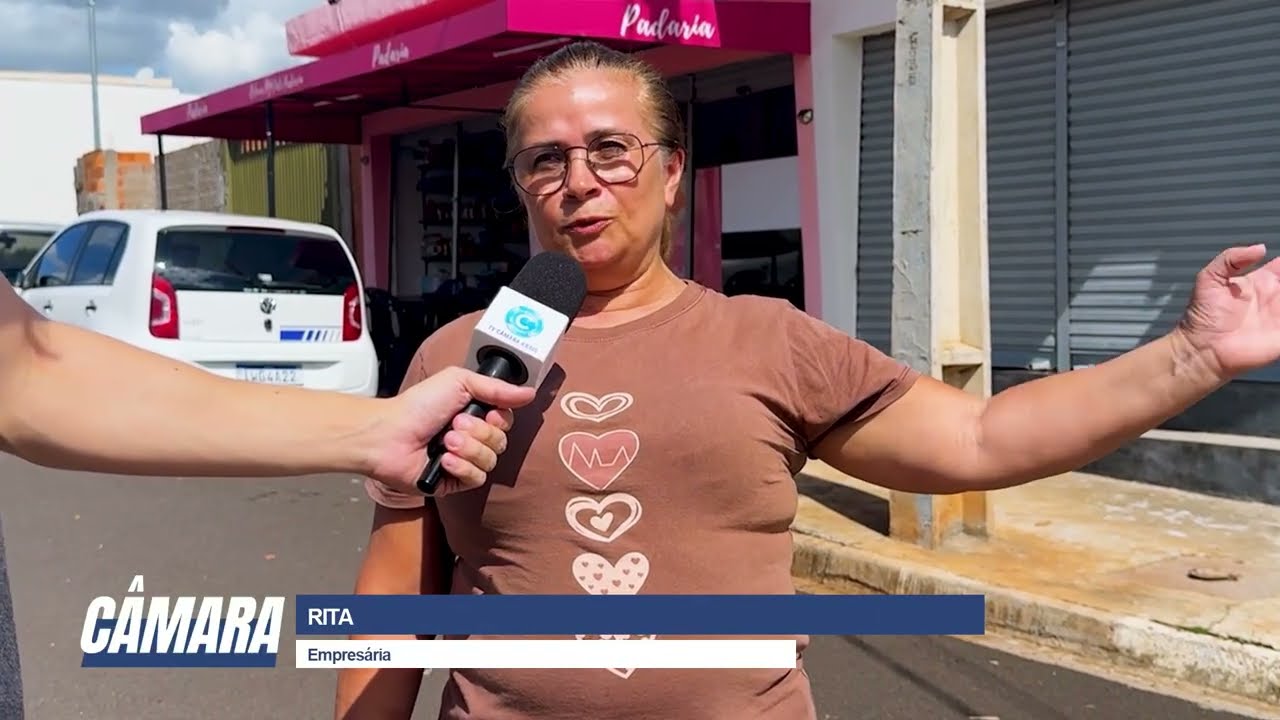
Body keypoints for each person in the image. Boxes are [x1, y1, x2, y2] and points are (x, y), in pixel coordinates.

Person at [336, 40, 1280, 720]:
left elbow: (983, 439)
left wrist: (1191, 354)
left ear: (670, 174)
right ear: (522, 186)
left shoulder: (769, 341)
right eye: (545, 159)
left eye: (610, 149)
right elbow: (396, 597)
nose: (578, 181)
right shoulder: (456, 356)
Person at [0, 277, 534, 719]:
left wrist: (380, 432)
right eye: (545, 160)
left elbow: (27, 368)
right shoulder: (445, 349)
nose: (579, 183)